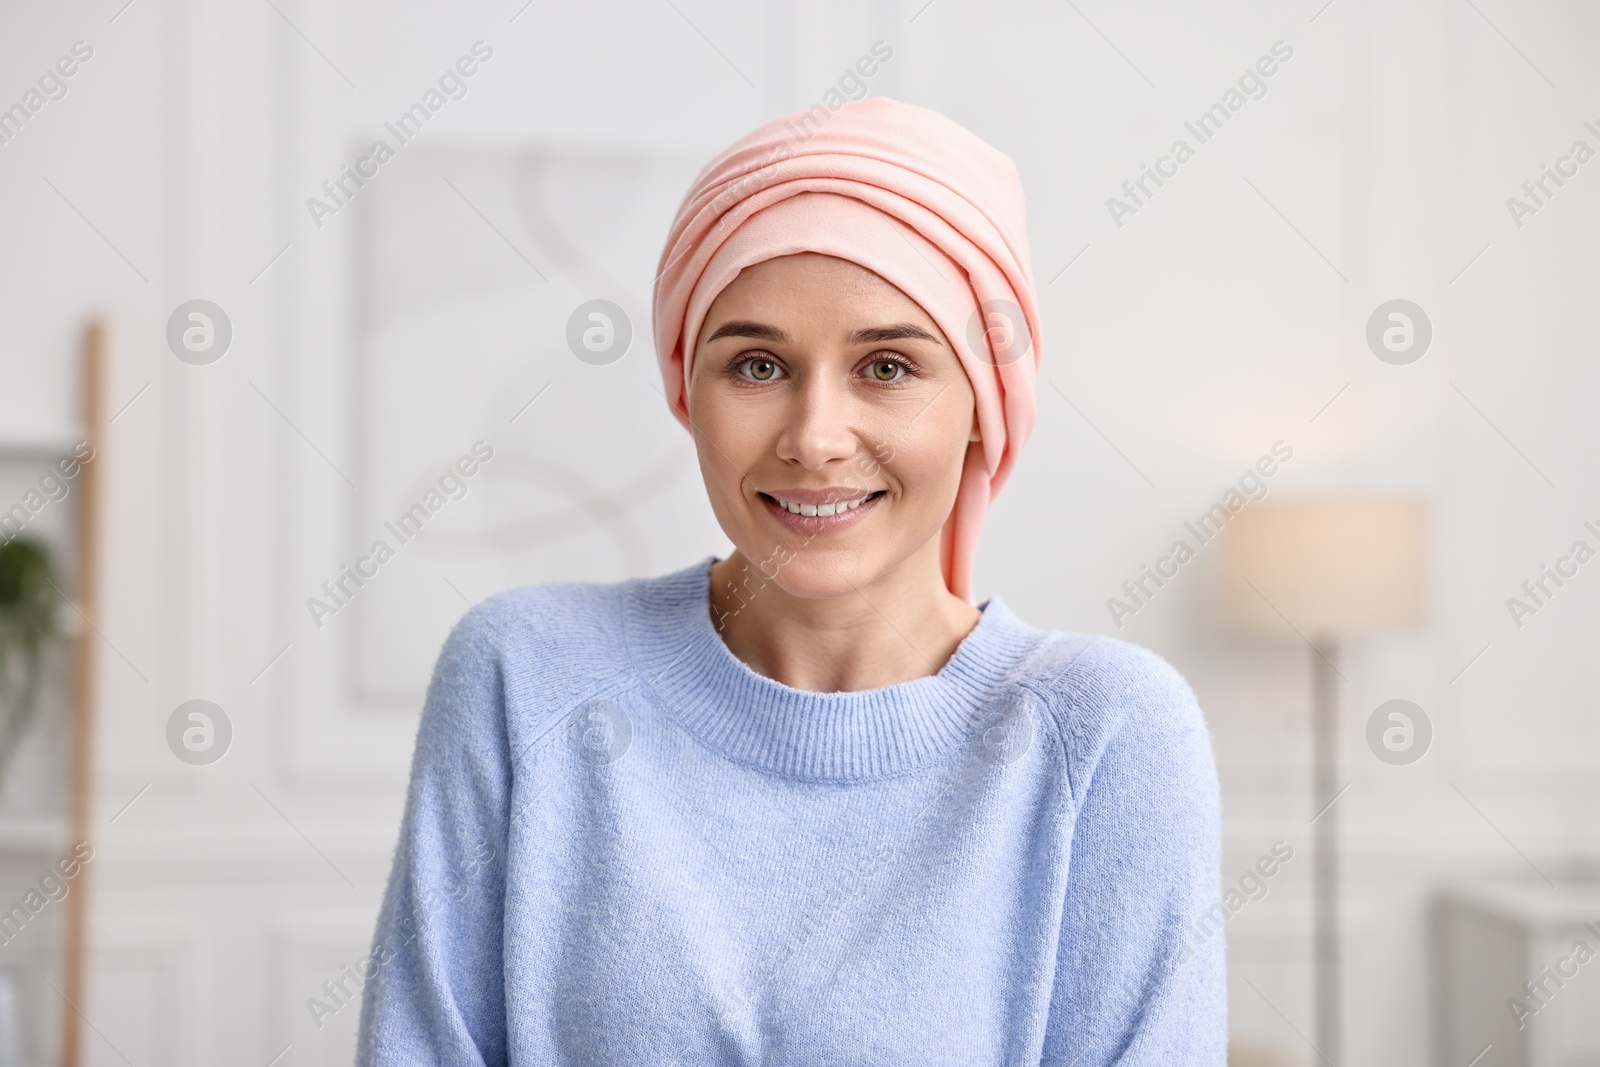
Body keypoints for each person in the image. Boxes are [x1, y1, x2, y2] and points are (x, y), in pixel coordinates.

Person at [357, 96, 1225, 1065]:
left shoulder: (1104, 730)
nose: (814, 437)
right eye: (758, 364)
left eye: (888, 365)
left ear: (983, 404)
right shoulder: (524, 675)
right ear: (688, 391)